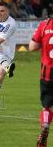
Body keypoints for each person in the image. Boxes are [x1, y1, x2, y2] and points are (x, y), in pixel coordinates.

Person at [29, 18, 53, 147]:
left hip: (48, 74)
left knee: (47, 106)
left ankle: (45, 126)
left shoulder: (45, 24)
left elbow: (32, 47)